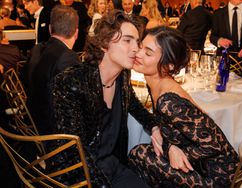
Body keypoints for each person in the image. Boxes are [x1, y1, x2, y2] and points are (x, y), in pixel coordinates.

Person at [50, 10, 160, 187]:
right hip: (80, 176)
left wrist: (154, 127)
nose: (136, 48)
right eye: (127, 40)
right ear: (104, 44)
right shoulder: (72, 83)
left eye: (137, 42)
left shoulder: (122, 77)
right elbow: (74, 154)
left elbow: (135, 106)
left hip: (112, 165)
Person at [129, 26, 240, 187]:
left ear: (169, 66)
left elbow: (213, 145)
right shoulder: (156, 85)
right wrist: (171, 146)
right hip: (201, 163)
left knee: (138, 154)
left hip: (218, 176)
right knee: (139, 154)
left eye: (148, 52)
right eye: (141, 47)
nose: (138, 54)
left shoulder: (169, 101)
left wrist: (171, 150)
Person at [27, 5, 81, 136]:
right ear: (77, 33)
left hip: (33, 123)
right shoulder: (69, 58)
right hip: (54, 135)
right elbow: (74, 107)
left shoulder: (38, 49)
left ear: (50, 29)